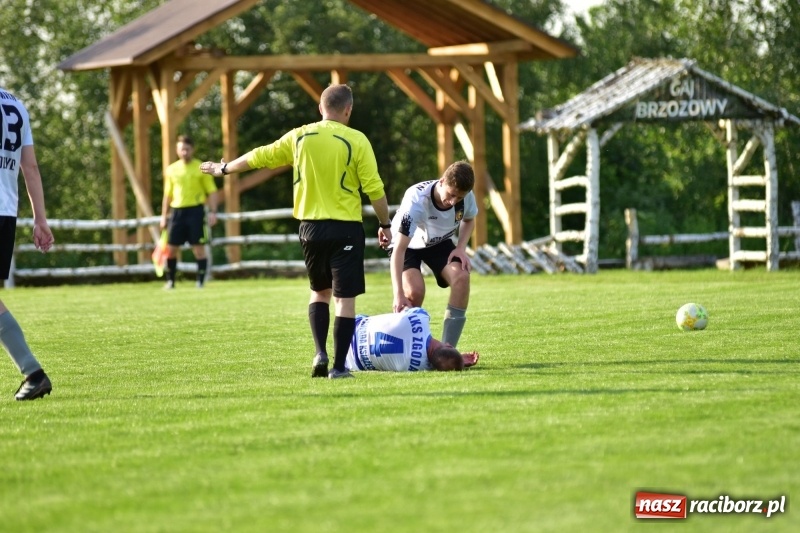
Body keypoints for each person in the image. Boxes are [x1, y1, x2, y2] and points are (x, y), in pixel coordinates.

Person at [200, 84, 392, 379]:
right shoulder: (356, 140)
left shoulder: (299, 135)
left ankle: (320, 352)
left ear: (320, 108)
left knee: (319, 292)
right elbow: (374, 189)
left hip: (310, 230)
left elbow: (260, 156)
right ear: (348, 110)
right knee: (345, 299)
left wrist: (224, 169)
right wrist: (385, 224)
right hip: (346, 229)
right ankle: (340, 367)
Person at [0, 88, 55, 400]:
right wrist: (40, 219)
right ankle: (32, 372)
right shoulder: (17, 104)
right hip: (5, 211)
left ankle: (33, 372)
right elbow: (30, 167)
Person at [389, 160, 477, 348]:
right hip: (408, 244)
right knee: (414, 292)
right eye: (451, 195)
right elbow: (399, 250)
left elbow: (469, 219)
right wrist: (398, 294)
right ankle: (408, 350)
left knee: (462, 276)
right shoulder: (417, 201)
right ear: (442, 181)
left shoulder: (466, 196)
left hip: (438, 242)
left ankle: (447, 350)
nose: (454, 201)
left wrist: (460, 247)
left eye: (459, 198)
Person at [159, 135, 220, 289]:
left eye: (187, 149)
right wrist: (164, 216)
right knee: (171, 249)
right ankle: (171, 281)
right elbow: (168, 194)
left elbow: (212, 191)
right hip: (177, 212)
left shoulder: (201, 168)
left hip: (196, 211)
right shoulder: (172, 169)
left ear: (192, 150)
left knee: (198, 248)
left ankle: (200, 282)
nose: (184, 152)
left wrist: (213, 211)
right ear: (177, 150)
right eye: (182, 149)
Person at [345, 307, 479, 372]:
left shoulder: (421, 319)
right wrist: (456, 361)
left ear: (449, 346)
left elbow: (408, 308)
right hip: (352, 362)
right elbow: (437, 362)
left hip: (349, 330)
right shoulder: (419, 368)